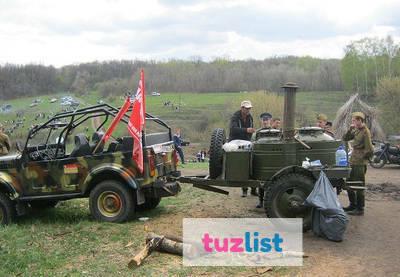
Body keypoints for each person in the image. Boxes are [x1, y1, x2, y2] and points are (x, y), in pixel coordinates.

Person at [342, 112, 374, 216]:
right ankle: (352, 205)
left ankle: (360, 208)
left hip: (359, 162)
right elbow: (345, 138)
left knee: (359, 185)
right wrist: (350, 129)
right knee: (349, 183)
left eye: (354, 120)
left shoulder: (365, 132)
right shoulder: (356, 130)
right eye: (352, 121)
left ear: (360, 120)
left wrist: (362, 158)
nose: (353, 122)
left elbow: (369, 149)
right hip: (353, 160)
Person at [229, 100, 256, 197]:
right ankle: (244, 189)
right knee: (242, 165)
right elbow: (233, 129)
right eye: (246, 108)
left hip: (247, 142)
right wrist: (246, 130)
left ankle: (253, 189)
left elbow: (251, 129)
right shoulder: (235, 117)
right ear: (242, 108)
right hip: (235, 141)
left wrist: (252, 131)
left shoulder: (250, 117)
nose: (248, 110)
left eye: (249, 108)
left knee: (253, 162)